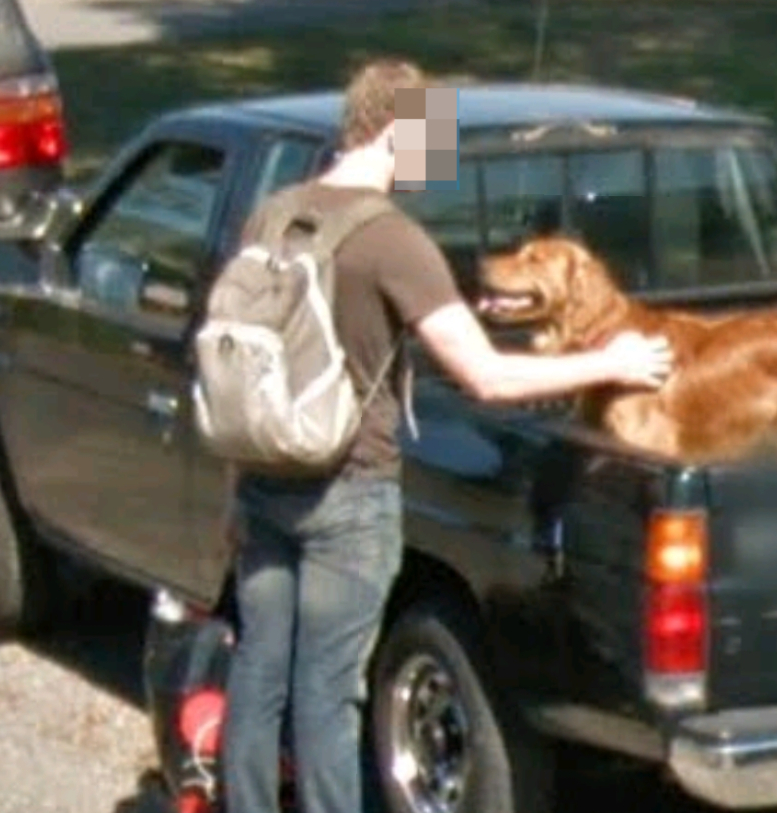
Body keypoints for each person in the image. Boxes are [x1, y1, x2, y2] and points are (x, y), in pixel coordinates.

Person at [221, 58, 674, 813]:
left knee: (258, 676)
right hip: (348, 492)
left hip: (265, 479)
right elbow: (486, 377)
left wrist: (234, 497)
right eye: (432, 135)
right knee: (327, 698)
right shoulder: (391, 240)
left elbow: (246, 361)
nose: (440, 155)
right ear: (397, 131)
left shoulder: (274, 213)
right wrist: (612, 359)